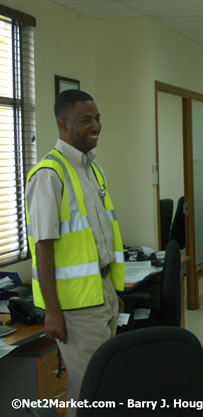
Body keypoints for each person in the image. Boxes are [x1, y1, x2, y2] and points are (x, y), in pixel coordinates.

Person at [25, 89, 125, 416]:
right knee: (91, 389)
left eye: (97, 118)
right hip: (76, 305)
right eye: (86, 120)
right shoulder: (48, 175)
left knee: (104, 382)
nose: (95, 125)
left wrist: (114, 289)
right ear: (62, 123)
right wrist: (52, 311)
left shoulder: (91, 169)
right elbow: (43, 247)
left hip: (102, 291)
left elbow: (101, 237)